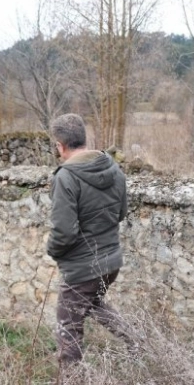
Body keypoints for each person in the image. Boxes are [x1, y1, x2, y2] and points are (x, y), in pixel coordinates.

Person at [47, 113, 135, 368]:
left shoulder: (66, 177)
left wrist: (53, 251)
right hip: (111, 263)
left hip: (82, 268)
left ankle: (71, 377)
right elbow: (121, 213)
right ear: (84, 139)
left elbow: (63, 232)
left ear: (60, 146)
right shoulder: (113, 168)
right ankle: (139, 342)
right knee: (94, 304)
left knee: (68, 328)